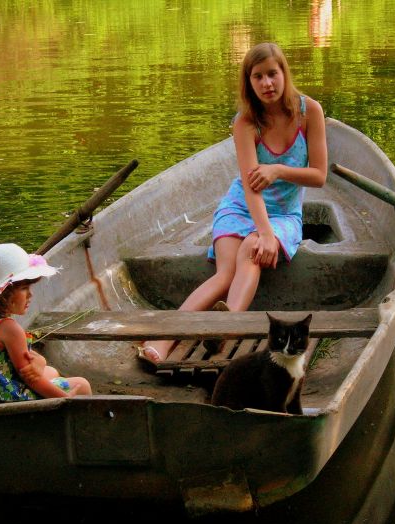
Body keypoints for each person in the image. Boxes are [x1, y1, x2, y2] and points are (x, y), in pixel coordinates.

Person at [138, 42, 327, 366]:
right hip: (240, 206)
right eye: (258, 77)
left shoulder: (310, 111)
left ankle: (225, 329)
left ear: (284, 73)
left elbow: (319, 176)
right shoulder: (245, 123)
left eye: (272, 74)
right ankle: (164, 339)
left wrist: (278, 170)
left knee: (251, 250)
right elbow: (251, 188)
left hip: (284, 214)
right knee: (225, 274)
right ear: (249, 82)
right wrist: (264, 232)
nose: (267, 83)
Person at [0, 243, 92, 407]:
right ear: (3, 295)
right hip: (9, 405)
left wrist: (41, 361)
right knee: (82, 384)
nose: (30, 294)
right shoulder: (9, 328)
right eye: (24, 288)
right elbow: (32, 380)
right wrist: (66, 399)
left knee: (51, 371)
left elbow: (25, 360)